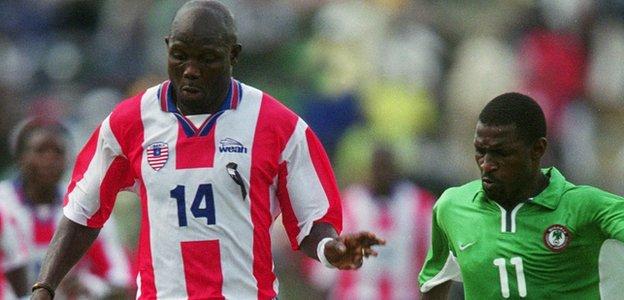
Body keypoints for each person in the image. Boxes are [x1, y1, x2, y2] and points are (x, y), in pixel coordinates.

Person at [32, 1, 385, 299]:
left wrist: (331, 250)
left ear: (234, 55)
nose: (191, 70)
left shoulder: (279, 125)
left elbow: (312, 223)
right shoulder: (129, 122)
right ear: (167, 47)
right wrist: (44, 288)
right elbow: (82, 213)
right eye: (180, 56)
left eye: (207, 58)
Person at [419, 92, 624, 299]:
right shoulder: (452, 207)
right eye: (480, 150)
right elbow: (433, 282)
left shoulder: (587, 207)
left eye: (502, 153)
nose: (487, 164)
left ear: (538, 149)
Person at [0, 118, 134, 299]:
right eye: (40, 151)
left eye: (58, 152)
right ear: (20, 156)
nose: (49, 159)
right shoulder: (3, 203)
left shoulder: (86, 205)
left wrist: (90, 286)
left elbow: (121, 282)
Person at [307, 144, 435, 299]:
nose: (382, 174)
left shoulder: (421, 206)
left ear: (396, 169)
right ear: (369, 170)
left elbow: (436, 261)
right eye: (378, 168)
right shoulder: (348, 206)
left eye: (386, 167)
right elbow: (322, 272)